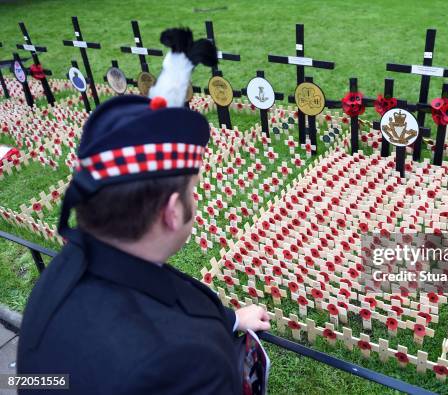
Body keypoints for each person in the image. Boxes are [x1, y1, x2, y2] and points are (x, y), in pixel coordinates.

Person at [17, 28, 270, 394]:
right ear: (171, 211)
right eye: (192, 190)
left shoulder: (62, 274)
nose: (195, 199)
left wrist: (228, 320)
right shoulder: (190, 366)